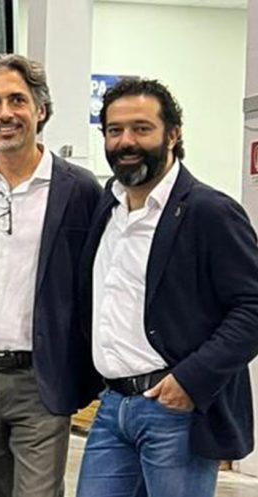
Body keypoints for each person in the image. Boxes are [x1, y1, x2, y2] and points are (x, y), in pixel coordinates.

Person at [76, 78, 258, 497]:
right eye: (115, 130)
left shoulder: (209, 212)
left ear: (173, 134)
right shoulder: (107, 207)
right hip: (112, 407)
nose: (126, 141)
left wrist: (191, 381)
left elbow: (252, 307)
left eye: (142, 128)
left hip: (174, 410)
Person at [0, 54, 101, 497]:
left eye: (17, 100)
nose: (4, 113)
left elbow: (94, 283)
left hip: (40, 382)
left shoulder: (80, 190)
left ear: (40, 109)